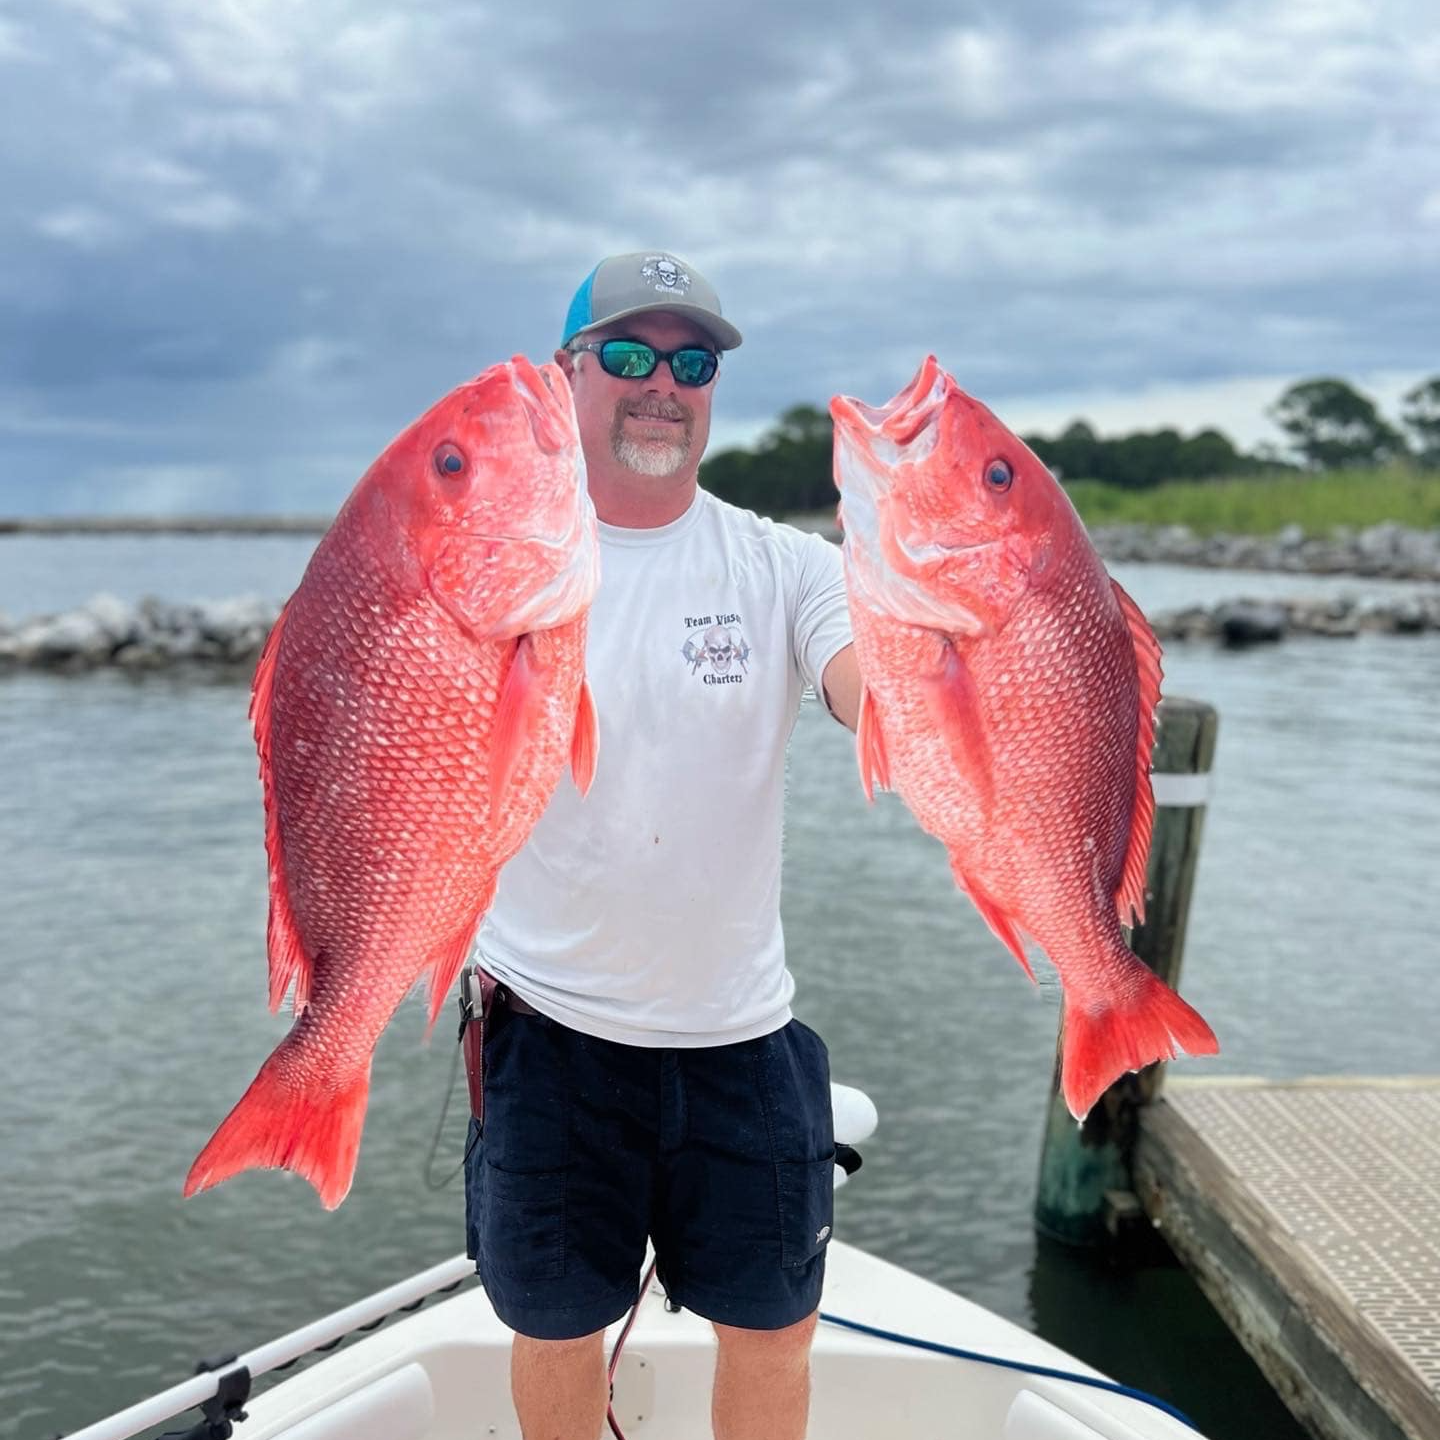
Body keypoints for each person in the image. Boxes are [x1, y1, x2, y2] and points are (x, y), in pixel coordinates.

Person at [463, 249, 862, 1440]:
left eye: (692, 362)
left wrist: (934, 609)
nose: (662, 386)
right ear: (565, 376)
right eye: (628, 355)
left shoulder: (787, 564)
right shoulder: (494, 567)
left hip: (740, 1033)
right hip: (551, 1029)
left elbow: (867, 690)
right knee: (553, 1328)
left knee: (775, 1331)